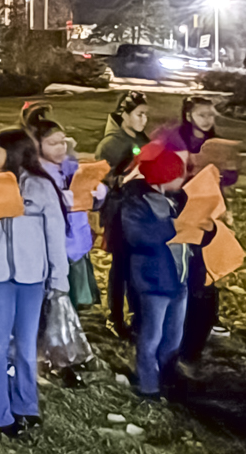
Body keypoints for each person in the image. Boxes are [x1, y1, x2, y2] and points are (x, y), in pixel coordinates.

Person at [0, 128, 69, 438]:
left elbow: (55, 234)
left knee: (25, 344)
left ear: (14, 151)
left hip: (32, 276)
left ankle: (26, 404)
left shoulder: (41, 187)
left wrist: (58, 276)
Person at [118, 143, 202, 398]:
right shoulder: (136, 203)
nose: (183, 179)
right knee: (151, 335)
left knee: (173, 337)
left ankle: (168, 378)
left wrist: (204, 230)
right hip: (154, 281)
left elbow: (192, 236)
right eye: (179, 175)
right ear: (165, 178)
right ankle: (148, 385)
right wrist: (174, 227)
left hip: (179, 279)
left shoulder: (177, 200)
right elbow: (138, 236)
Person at [150, 95, 230, 364]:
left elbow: (221, 178)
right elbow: (158, 168)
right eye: (203, 115)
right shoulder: (173, 140)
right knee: (187, 272)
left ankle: (198, 334)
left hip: (205, 212)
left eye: (211, 115)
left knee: (204, 273)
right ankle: (180, 340)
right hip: (180, 212)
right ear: (189, 116)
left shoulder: (213, 142)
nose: (209, 120)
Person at [25, 112, 97, 386]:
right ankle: (52, 358)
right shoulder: (36, 176)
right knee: (51, 306)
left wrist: (94, 193)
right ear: (38, 145)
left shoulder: (70, 168)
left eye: (62, 142)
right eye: (53, 143)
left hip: (75, 245)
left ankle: (69, 350)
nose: (60, 148)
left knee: (71, 304)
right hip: (51, 249)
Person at [96, 92, 151, 335]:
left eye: (146, 115)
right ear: (124, 115)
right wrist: (123, 178)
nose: (144, 120)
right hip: (119, 212)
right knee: (120, 266)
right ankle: (115, 316)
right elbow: (102, 178)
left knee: (138, 264)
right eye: (139, 114)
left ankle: (138, 315)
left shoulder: (142, 138)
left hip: (140, 209)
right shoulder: (110, 144)